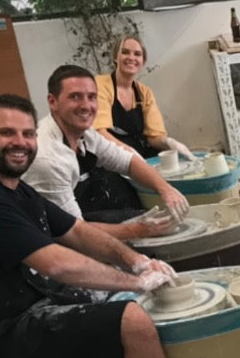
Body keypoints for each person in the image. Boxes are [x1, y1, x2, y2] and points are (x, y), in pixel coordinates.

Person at [0, 94, 185, 358]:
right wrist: (136, 282)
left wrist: (139, 262)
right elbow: (57, 265)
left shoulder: (13, 187)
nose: (19, 142)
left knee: (132, 302)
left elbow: (76, 231)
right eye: (6, 133)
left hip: (33, 300)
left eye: (27, 133)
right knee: (132, 318)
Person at [25, 64, 189, 240]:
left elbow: (127, 162)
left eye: (91, 97)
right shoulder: (48, 157)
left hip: (72, 219)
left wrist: (166, 189)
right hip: (44, 240)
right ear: (53, 102)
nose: (86, 106)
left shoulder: (83, 132)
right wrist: (140, 230)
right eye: (75, 97)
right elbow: (75, 233)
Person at [93, 35, 192, 161]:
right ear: (115, 57)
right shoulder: (100, 85)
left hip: (142, 155)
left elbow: (153, 136)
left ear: (143, 62)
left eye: (137, 54)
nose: (131, 58)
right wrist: (130, 155)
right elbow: (99, 133)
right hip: (110, 158)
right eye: (125, 52)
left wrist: (169, 143)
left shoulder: (144, 93)